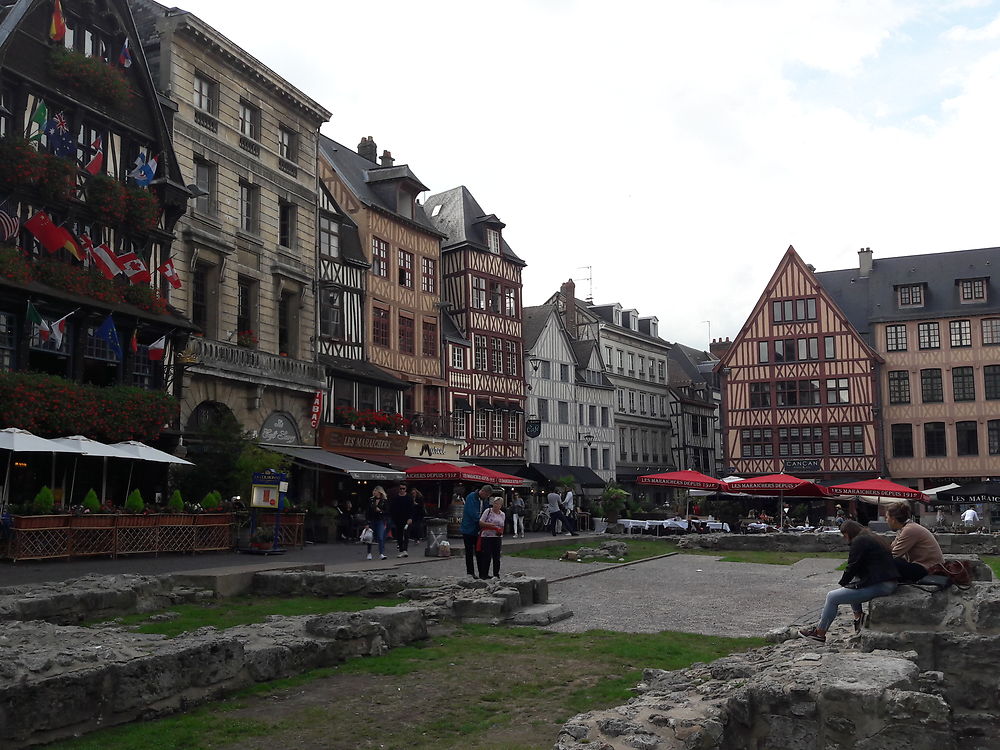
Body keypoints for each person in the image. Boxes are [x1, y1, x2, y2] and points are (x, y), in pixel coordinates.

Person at [799, 520, 898, 643]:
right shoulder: (871, 537)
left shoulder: (859, 541)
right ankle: (858, 618)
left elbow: (852, 566)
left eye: (844, 535)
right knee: (852, 584)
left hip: (881, 584)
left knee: (832, 597)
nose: (845, 539)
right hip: (887, 581)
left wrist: (842, 584)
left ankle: (819, 633)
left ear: (849, 533)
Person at [886, 501, 944, 582]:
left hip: (929, 569)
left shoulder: (909, 530)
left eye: (887, 517)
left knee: (891, 563)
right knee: (893, 562)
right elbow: (891, 548)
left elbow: (895, 554)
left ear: (893, 519)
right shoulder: (904, 529)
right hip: (921, 566)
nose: (886, 520)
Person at [460, 484, 493, 577]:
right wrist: (481, 522)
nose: (486, 497)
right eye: (486, 495)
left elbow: (486, 511)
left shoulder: (484, 500)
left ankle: (483, 573)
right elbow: (472, 513)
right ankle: (470, 573)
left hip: (478, 530)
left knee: (480, 552)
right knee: (469, 552)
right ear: (483, 492)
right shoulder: (471, 497)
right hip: (468, 529)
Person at [477, 495, 506, 579]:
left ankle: (496, 574)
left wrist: (500, 532)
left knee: (496, 556)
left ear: (501, 505)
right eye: (495, 503)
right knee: (486, 556)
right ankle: (484, 574)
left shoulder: (502, 514)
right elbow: (481, 522)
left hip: (496, 537)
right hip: (487, 536)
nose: (496, 506)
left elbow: (502, 525)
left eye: (498, 504)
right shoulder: (488, 511)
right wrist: (490, 525)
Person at [389, 483, 412, 558]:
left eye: (403, 488)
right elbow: (392, 508)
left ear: (406, 489)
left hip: (407, 518)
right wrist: (393, 518)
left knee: (406, 534)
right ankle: (401, 550)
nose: (402, 490)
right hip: (398, 519)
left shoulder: (409, 497)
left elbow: (411, 509)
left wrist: (410, 518)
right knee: (399, 535)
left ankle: (405, 550)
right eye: (401, 488)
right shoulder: (395, 497)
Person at [366, 485, 389, 560]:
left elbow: (387, 511)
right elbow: (367, 511)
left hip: (380, 520)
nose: (374, 492)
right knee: (370, 537)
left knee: (380, 537)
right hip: (372, 520)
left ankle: (381, 553)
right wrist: (367, 523)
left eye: (375, 491)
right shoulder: (371, 500)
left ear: (379, 492)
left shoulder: (384, 501)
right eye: (374, 491)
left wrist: (381, 511)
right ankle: (369, 553)